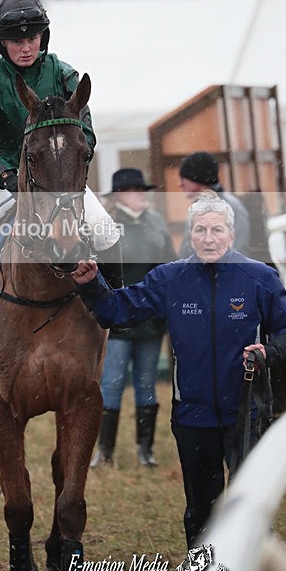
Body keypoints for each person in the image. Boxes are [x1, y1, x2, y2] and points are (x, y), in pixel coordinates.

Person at [71, 194, 286, 559]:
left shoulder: (260, 277)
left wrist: (269, 352)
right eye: (200, 230)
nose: (209, 238)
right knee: (200, 512)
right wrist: (92, 284)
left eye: (216, 230)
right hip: (192, 417)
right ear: (189, 235)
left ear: (231, 234)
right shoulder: (169, 278)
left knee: (250, 508)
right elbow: (116, 311)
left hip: (247, 415)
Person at [0, 0, 121, 323]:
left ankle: (114, 299)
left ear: (43, 37)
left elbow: (86, 132)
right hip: (9, 178)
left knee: (106, 229)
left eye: (32, 39)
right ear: (1, 44)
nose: (25, 48)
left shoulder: (64, 74)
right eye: (15, 41)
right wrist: (5, 176)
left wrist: (65, 174)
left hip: (59, 181)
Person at [90, 168, 176, 469]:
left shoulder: (155, 222)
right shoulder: (105, 224)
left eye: (143, 189)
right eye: (135, 189)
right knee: (111, 384)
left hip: (150, 319)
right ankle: (105, 452)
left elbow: (168, 266)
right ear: (119, 195)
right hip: (117, 318)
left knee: (146, 384)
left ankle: (145, 450)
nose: (142, 193)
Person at [179, 151, 251, 256]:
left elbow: (236, 251)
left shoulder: (230, 208)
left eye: (184, 178)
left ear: (196, 179)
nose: (180, 184)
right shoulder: (198, 207)